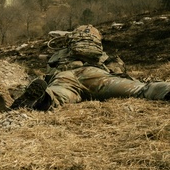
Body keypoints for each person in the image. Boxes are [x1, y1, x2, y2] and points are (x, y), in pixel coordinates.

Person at [12, 24, 170, 110]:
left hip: (65, 77)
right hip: (95, 75)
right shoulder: (101, 55)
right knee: (140, 90)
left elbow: (49, 74)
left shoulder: (58, 54)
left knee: (57, 95)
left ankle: (43, 98)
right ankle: (165, 90)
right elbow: (118, 71)